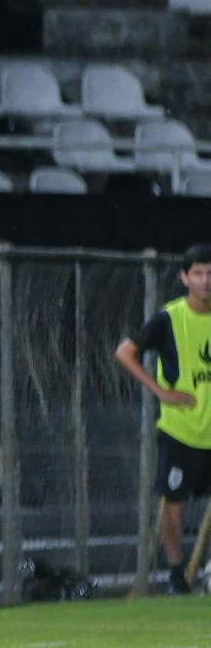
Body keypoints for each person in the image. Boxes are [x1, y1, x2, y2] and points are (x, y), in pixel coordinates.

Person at [113, 243, 211, 596]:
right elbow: (125, 352)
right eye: (198, 273)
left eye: (210, 273)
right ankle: (175, 574)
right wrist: (161, 391)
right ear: (185, 277)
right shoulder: (170, 318)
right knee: (174, 502)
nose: (206, 280)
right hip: (182, 430)